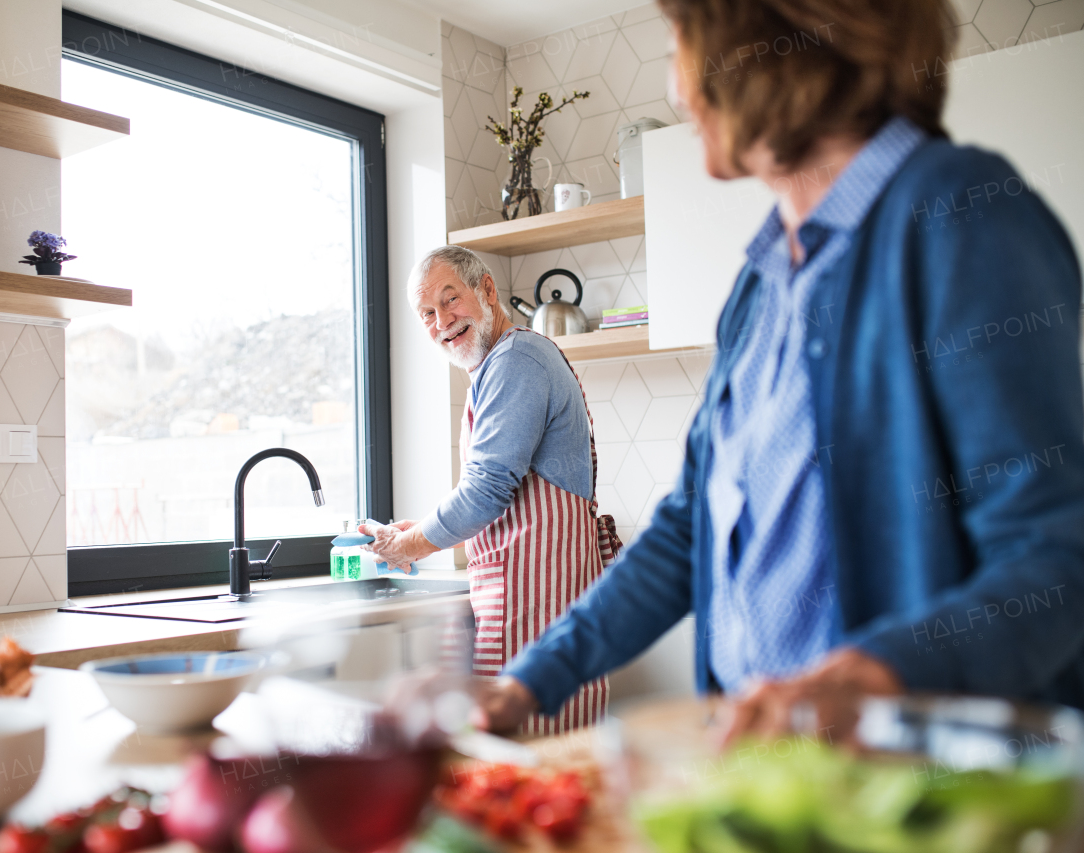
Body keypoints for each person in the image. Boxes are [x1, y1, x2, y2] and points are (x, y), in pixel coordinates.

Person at [475, 0, 1084, 742]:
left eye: (680, 45)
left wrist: (873, 678)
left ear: (769, 42)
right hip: (767, 779)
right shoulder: (759, 286)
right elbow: (687, 531)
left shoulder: (958, 214)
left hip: (912, 796)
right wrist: (527, 680)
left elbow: (1056, 560)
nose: (676, 88)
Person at [363, 245, 623, 734]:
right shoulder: (496, 367)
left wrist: (409, 544)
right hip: (531, 604)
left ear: (486, 289)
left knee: (533, 763)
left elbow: (486, 491)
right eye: (427, 314)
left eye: (450, 299)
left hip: (537, 611)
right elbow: (509, 508)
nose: (442, 320)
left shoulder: (517, 359)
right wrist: (417, 531)